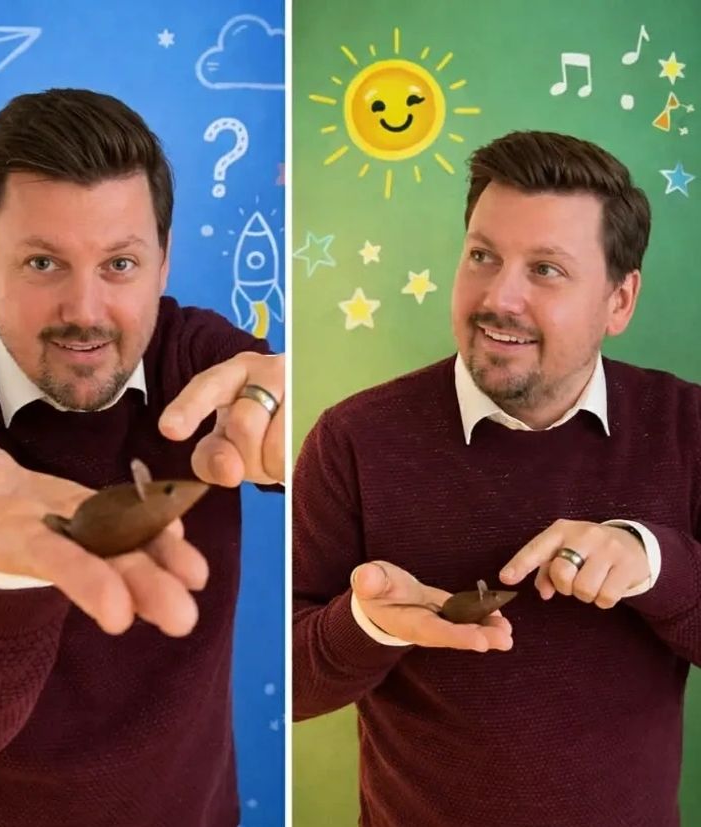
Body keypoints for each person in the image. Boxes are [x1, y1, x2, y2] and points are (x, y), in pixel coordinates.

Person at [0, 88, 285, 826]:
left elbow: (291, 419)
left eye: (120, 264)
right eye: (42, 263)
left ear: (163, 262)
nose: (86, 311)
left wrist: (302, 428)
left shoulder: (206, 368)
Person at [293, 130, 701, 826]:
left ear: (620, 301)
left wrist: (650, 562)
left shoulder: (686, 426)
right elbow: (288, 682)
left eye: (546, 269)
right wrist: (367, 623)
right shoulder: (354, 439)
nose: (499, 297)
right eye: (483, 256)